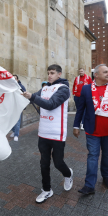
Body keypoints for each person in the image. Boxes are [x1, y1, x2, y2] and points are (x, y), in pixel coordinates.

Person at [73, 64, 108, 195]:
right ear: (96, 75)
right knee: (92, 156)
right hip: (92, 130)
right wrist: (76, 126)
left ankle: (106, 176)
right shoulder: (86, 89)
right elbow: (80, 110)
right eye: (105, 72)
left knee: (107, 155)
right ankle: (89, 185)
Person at [22, 64, 73, 203]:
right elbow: (33, 98)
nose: (49, 75)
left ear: (59, 74)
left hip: (57, 133)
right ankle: (46, 190)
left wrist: (32, 96)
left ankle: (68, 174)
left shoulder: (64, 89)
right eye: (48, 73)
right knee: (44, 163)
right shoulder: (45, 88)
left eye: (52, 73)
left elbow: (51, 104)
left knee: (58, 163)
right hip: (43, 133)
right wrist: (23, 94)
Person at [10, 75, 26, 141]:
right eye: (13, 79)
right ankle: (14, 131)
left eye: (15, 79)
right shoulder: (9, 87)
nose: (14, 80)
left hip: (18, 106)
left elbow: (24, 95)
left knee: (17, 121)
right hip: (11, 106)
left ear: (18, 80)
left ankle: (16, 134)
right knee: (10, 121)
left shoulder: (21, 87)